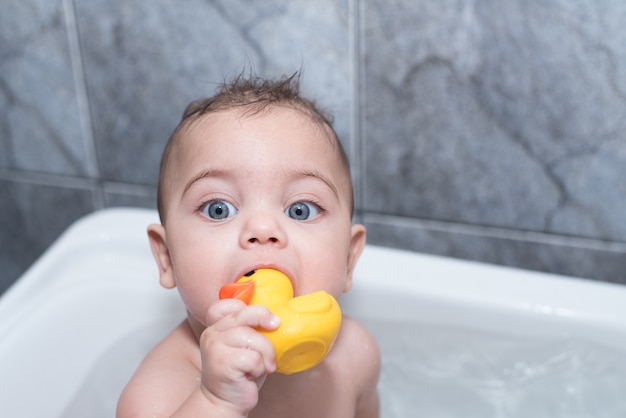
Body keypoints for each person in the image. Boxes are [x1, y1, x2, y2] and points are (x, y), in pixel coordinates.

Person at [117, 72, 381, 418]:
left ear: (349, 258)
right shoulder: (157, 398)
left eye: (300, 210)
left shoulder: (355, 354)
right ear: (167, 259)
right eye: (218, 209)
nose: (262, 229)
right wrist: (215, 402)